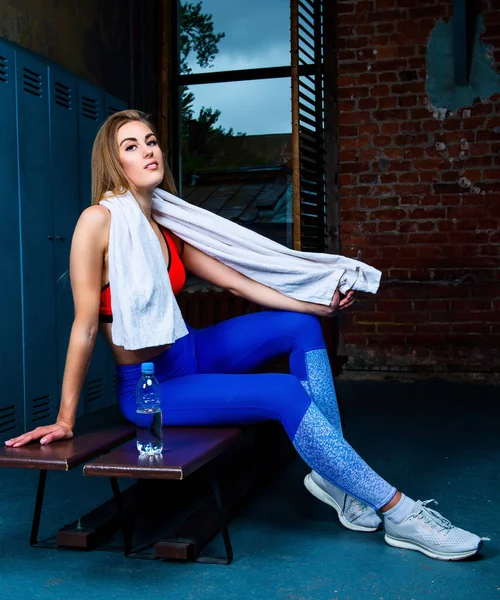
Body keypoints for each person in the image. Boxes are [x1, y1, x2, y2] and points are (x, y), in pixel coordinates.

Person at [5, 110, 482, 562]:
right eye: (131, 146)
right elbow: (85, 324)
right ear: (115, 162)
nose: (148, 151)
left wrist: (315, 305)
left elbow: (237, 282)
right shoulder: (99, 221)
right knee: (282, 390)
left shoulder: (165, 224)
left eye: (151, 142)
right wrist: (66, 418)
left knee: (301, 327)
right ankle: (398, 511)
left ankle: (339, 480)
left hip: (188, 352)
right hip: (150, 388)